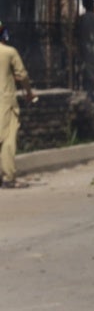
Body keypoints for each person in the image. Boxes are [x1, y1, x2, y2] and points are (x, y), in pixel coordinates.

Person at [0, 22, 34, 188]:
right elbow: (22, 75)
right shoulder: (9, 52)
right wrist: (29, 92)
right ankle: (8, 177)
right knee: (7, 139)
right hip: (4, 101)